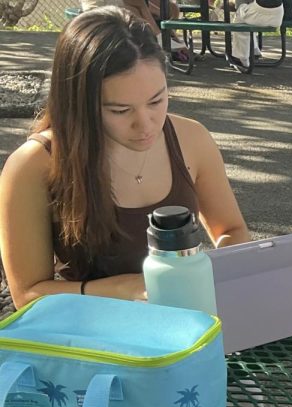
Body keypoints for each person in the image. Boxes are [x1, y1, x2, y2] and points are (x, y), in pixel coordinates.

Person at [0, 8, 252, 311]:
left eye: (157, 100)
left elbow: (231, 231)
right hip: (89, 339)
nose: (146, 124)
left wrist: (219, 273)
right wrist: (123, 288)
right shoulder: (33, 165)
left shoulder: (191, 138)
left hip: (183, 328)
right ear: (79, 103)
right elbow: (27, 295)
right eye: (120, 110)